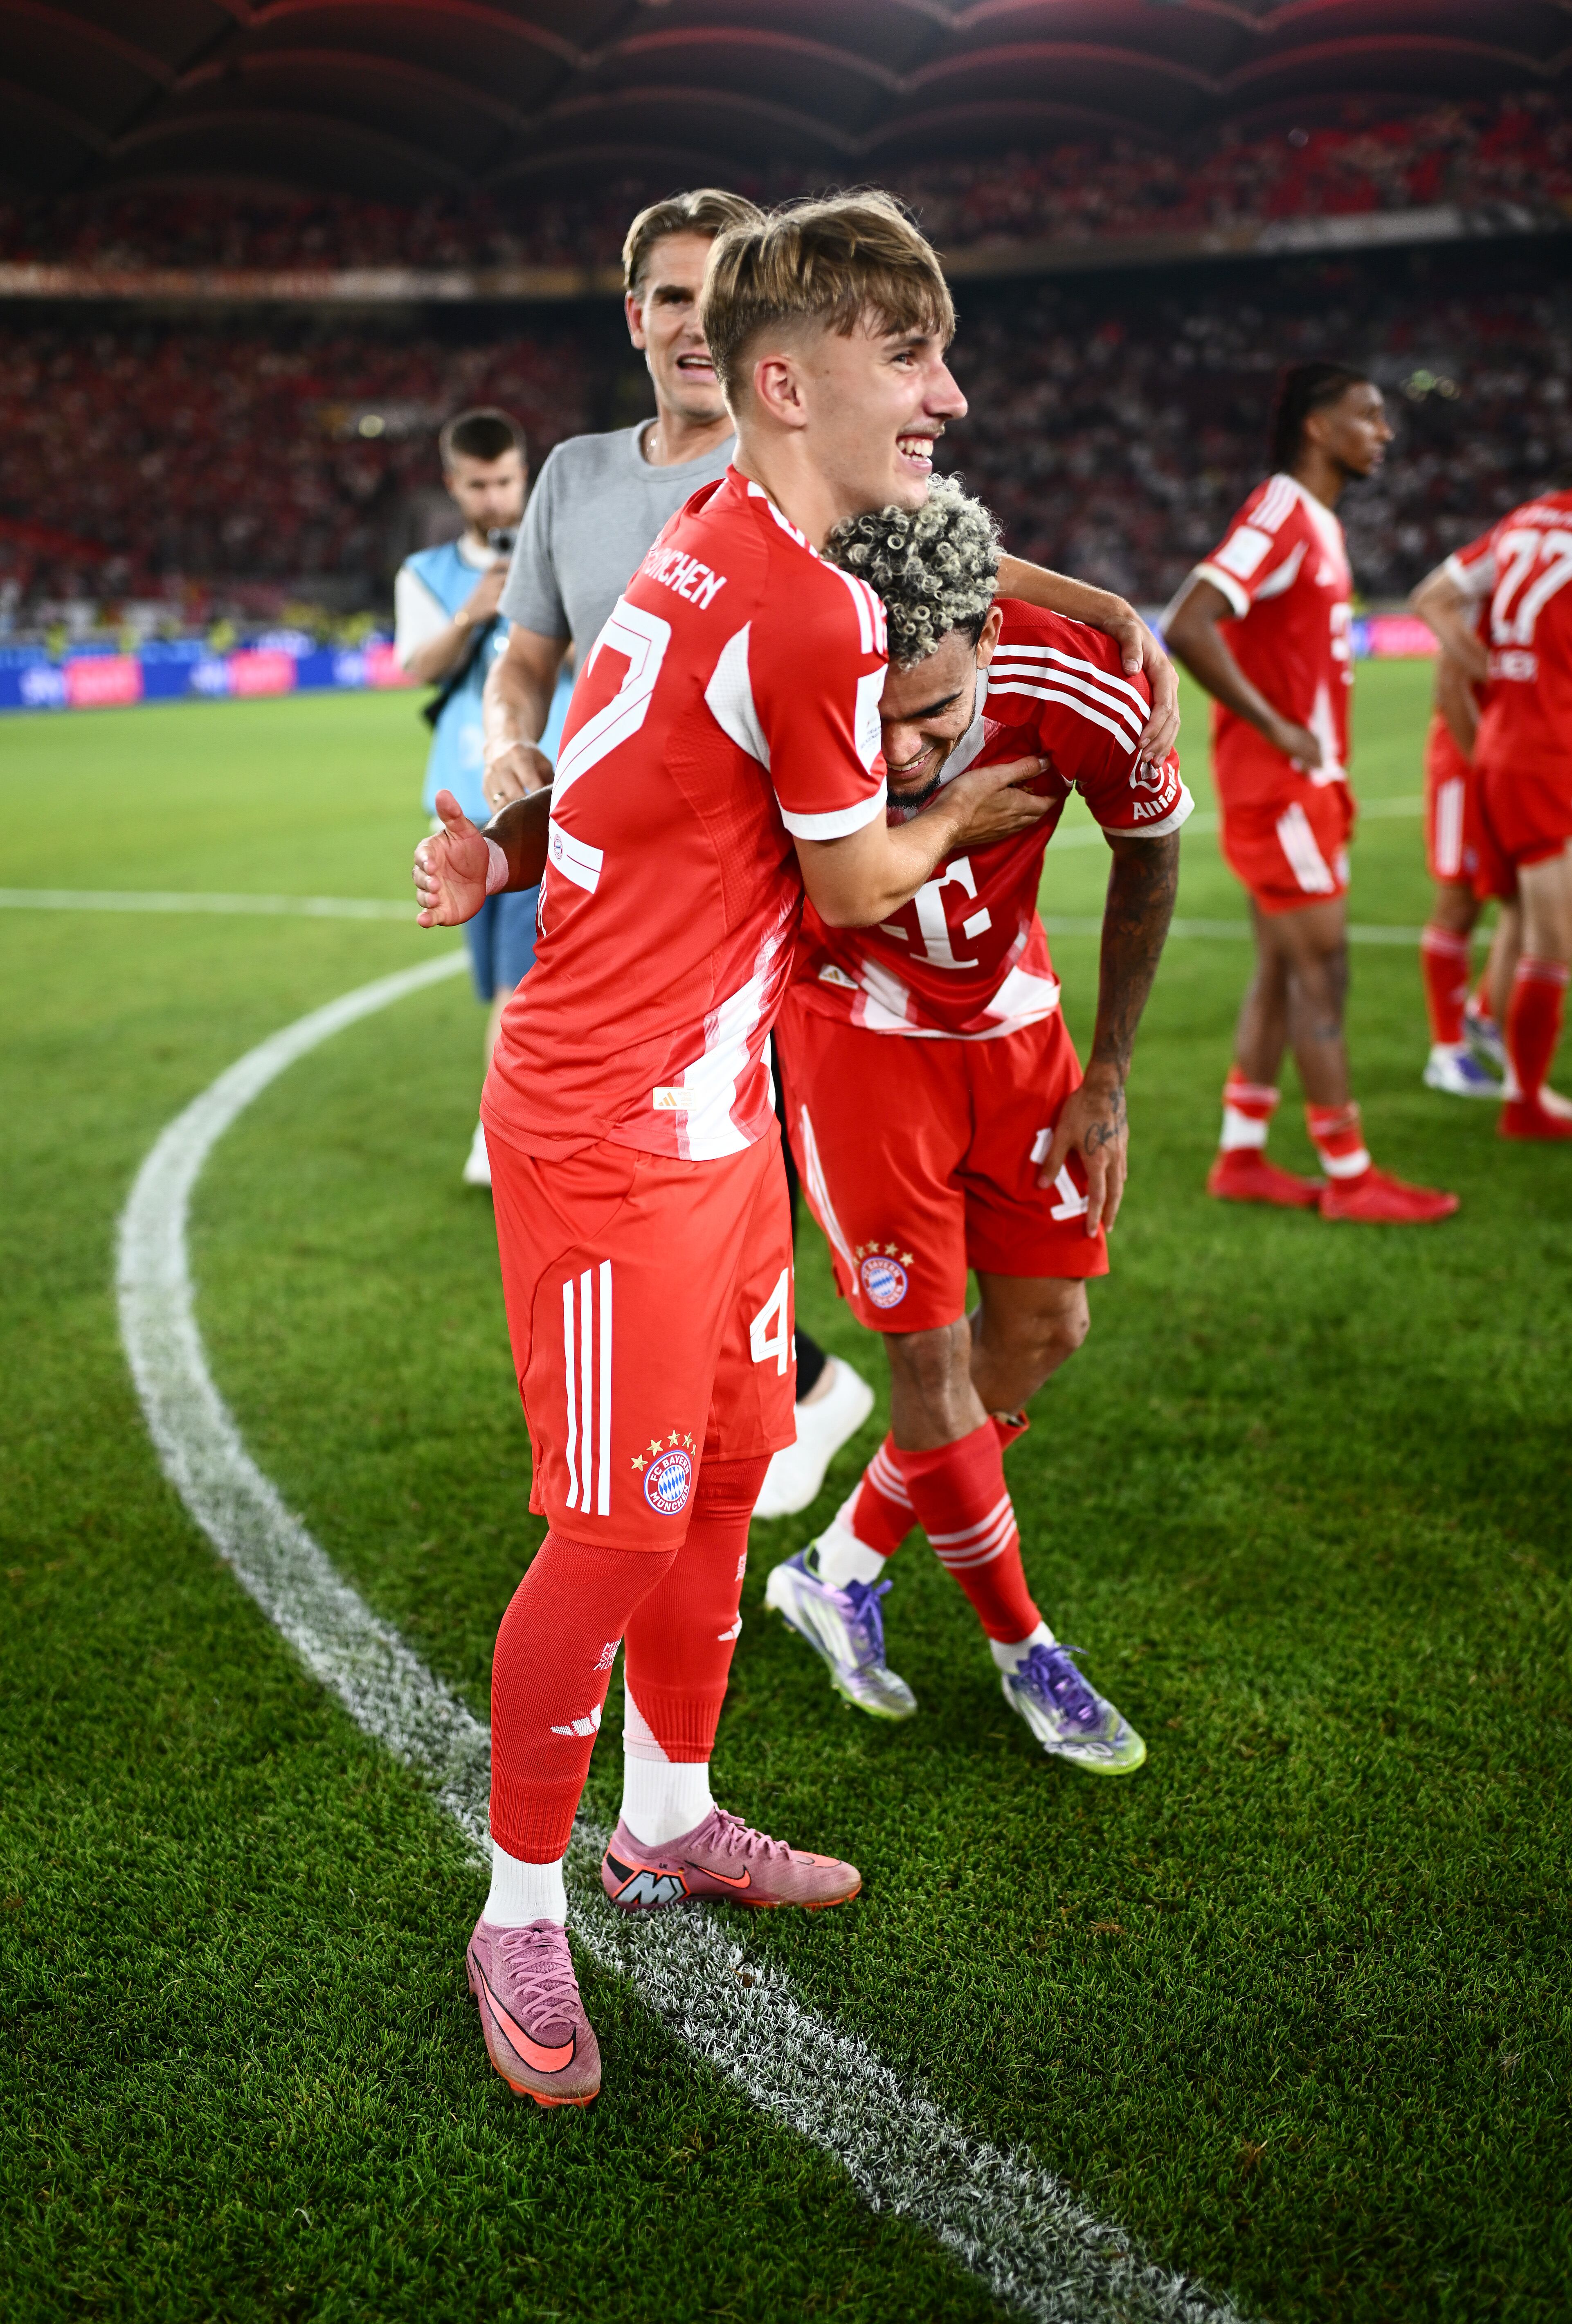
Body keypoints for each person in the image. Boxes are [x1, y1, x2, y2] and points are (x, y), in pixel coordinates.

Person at [412, 192, 1070, 2108]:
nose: (945, 392)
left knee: (712, 1491)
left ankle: (670, 1812)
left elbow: (623, 784)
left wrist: (513, 853)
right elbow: (855, 875)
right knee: (613, 1521)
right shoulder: (792, 595)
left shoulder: (727, 540)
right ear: (788, 384)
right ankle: (517, 1898)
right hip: (612, 1122)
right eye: (910, 359)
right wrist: (964, 812)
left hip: (709, 1107)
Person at [481, 185, 1184, 1523]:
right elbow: (535, 665)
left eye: (715, 291)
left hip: (790, 931)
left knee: (771, 1240)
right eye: (670, 297)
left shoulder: (808, 478)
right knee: (721, 1263)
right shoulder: (588, 483)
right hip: (689, 922)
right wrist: (513, 783)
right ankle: (743, 1462)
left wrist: (1081, 598)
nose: (693, 321)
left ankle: (771, 1447)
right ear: (642, 322)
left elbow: (935, 545)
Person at [762, 482, 1185, 1773]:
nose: (892, 751)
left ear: (993, 642)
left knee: (1048, 1328)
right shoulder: (792, 663)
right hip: (853, 1046)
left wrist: (1107, 1072)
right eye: (871, 718)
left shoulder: (1083, 684)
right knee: (932, 1369)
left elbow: (1151, 847)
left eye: (930, 715)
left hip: (1015, 1032)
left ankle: (834, 1568)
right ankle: (1024, 1651)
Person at [1164, 362, 1457, 1224]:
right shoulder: (1282, 510)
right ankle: (1349, 1171)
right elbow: (1188, 618)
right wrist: (1272, 725)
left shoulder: (1315, 522)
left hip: (1307, 784)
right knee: (1322, 969)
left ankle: (1241, 1153)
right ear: (1317, 428)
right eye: (1367, 415)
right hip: (1280, 787)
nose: (1384, 431)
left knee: (1280, 968)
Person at [394, 407, 565, 1187]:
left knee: (518, 981)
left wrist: (536, 613)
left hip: (550, 801)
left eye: (505, 481)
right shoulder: (427, 573)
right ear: (453, 484)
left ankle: (497, 1129)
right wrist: (477, 608)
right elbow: (415, 666)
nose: (495, 499)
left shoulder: (558, 553)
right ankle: (523, 1120)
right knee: (504, 981)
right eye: (480, 485)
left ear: (523, 475)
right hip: (464, 802)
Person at [1411, 468, 1572, 1138]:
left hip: (1512, 741)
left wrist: (1502, 678)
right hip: (1519, 748)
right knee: (1525, 924)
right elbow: (1447, 652)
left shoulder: (1525, 522)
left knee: (1516, 910)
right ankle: (1507, 1086)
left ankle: (1489, 1027)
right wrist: (1495, 678)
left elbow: (1433, 597)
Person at [1408, 556, 1521, 1096]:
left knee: (1523, 895)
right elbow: (1451, 686)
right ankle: (1447, 1051)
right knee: (1459, 902)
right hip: (1464, 763)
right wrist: (1487, 770)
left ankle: (1484, 1016)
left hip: (1504, 762)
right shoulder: (1482, 596)